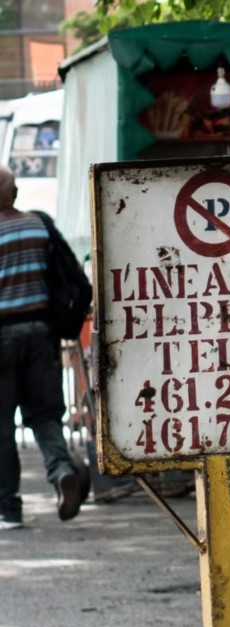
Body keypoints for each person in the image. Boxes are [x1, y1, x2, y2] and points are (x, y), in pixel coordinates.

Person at [0, 165, 87, 528]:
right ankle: (61, 471)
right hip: (40, 332)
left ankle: (8, 509)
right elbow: (72, 278)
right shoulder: (39, 225)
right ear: (14, 193)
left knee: (2, 425)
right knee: (45, 416)